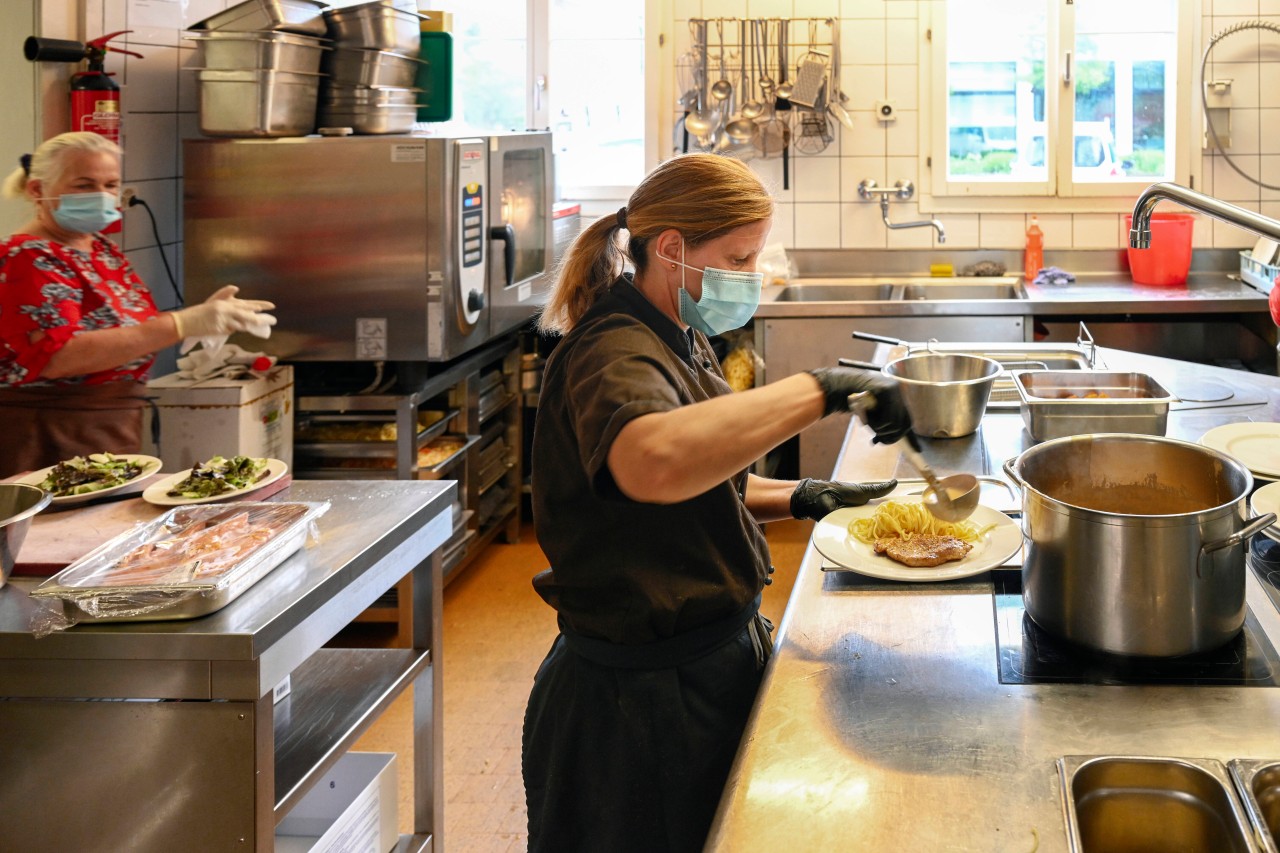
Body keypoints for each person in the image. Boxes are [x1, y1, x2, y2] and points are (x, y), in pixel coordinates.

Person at [523, 153, 914, 853]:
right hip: (636, 709)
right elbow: (656, 461)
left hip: (696, 673)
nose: (749, 275)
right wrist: (820, 390)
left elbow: (707, 478)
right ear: (672, 249)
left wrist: (802, 496)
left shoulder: (680, 334)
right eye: (738, 256)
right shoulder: (612, 352)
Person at [0, 132, 276, 476]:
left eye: (111, 184)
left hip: (108, 429)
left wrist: (203, 319)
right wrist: (179, 324)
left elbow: (126, 330)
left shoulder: (99, 248)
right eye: (84, 185)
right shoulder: (29, 257)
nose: (101, 196)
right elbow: (58, 357)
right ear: (38, 190)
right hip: (50, 435)